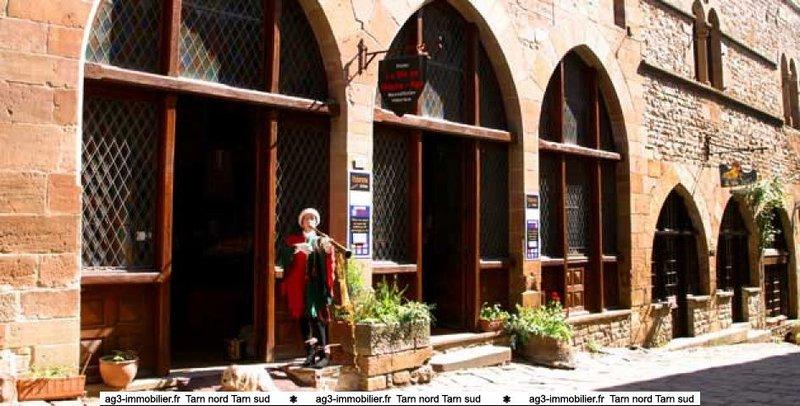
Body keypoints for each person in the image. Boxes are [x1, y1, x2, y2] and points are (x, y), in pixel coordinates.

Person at [278, 208, 335, 368]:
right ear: (301, 223)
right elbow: (283, 256)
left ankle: (324, 355)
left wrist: (328, 251)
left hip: (316, 286)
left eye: (312, 218)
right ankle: (310, 354)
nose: (309, 221)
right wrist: (297, 248)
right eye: (306, 218)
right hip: (299, 286)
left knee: (318, 319)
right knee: (304, 319)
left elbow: (329, 262)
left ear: (317, 222)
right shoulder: (293, 240)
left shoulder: (321, 240)